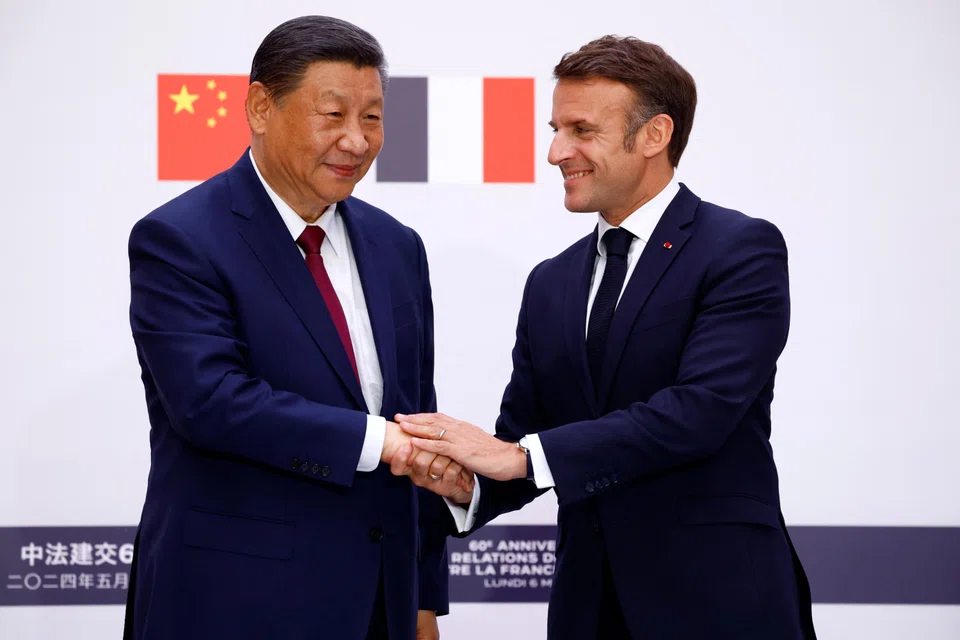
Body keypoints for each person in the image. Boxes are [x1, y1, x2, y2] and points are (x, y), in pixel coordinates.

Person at [397, 35, 817, 639]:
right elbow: (523, 438)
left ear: (654, 135)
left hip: (718, 600)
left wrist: (520, 457)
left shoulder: (738, 249)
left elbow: (697, 414)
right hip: (588, 607)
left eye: (580, 130)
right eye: (555, 128)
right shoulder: (550, 282)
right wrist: (466, 485)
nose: (554, 152)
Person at [124, 15, 472, 640]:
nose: (357, 140)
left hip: (377, 607)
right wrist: (381, 443)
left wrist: (423, 597)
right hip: (234, 603)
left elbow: (418, 416)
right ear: (261, 106)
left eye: (372, 117)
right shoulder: (179, 239)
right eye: (332, 114)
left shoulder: (397, 247)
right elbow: (209, 402)